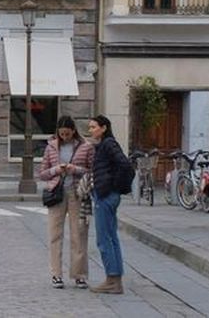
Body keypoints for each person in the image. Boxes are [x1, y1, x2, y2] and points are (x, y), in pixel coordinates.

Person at [37, 116, 93, 290]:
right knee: (55, 235)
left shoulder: (86, 146)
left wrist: (75, 169)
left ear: (73, 131)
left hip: (78, 193)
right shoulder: (51, 147)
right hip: (57, 193)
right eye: (62, 134)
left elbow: (92, 171)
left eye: (67, 133)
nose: (65, 137)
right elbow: (42, 173)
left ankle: (79, 275)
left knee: (79, 235)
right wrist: (56, 169)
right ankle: (56, 274)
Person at [87, 115, 131, 295]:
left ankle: (112, 280)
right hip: (108, 194)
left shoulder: (108, 144)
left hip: (105, 195)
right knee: (111, 237)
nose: (90, 130)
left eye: (93, 127)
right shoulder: (104, 145)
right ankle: (115, 279)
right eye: (90, 127)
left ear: (104, 128)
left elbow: (125, 165)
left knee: (104, 238)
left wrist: (113, 186)